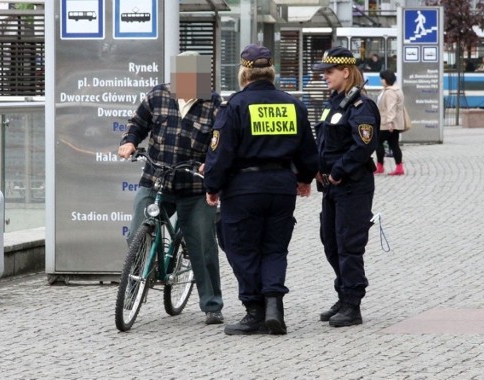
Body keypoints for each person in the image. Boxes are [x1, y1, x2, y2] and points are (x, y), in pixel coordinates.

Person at [204, 44, 319, 335]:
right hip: (281, 187)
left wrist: (212, 186)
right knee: (275, 248)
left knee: (242, 249)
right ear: (272, 73)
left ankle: (254, 311)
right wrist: (304, 179)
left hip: (243, 188)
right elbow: (309, 151)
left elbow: (221, 153)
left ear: (244, 73)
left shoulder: (235, 106)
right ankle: (274, 307)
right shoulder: (293, 105)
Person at [118, 51, 225, 325]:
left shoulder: (213, 104)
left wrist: (209, 164)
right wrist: (129, 142)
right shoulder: (157, 96)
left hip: (193, 185)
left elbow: (220, 142)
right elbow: (137, 124)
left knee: (202, 245)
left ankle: (211, 304)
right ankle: (134, 289)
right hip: (156, 180)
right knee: (136, 234)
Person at [312, 47, 380, 327]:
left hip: (353, 185)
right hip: (331, 187)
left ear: (346, 72)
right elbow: (325, 141)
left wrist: (339, 170)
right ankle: (343, 294)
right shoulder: (334, 104)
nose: (325, 76)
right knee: (330, 241)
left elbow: (364, 145)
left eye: (329, 72)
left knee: (349, 244)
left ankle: (353, 304)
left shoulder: (361, 106)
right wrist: (316, 166)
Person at [375, 70, 405, 175]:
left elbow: (390, 108)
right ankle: (399, 168)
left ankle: (380, 166)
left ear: (386, 79)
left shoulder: (390, 92)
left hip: (387, 123)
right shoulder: (397, 90)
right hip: (395, 123)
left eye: (382, 78)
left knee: (377, 142)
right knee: (394, 145)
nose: (381, 81)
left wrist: (389, 122)